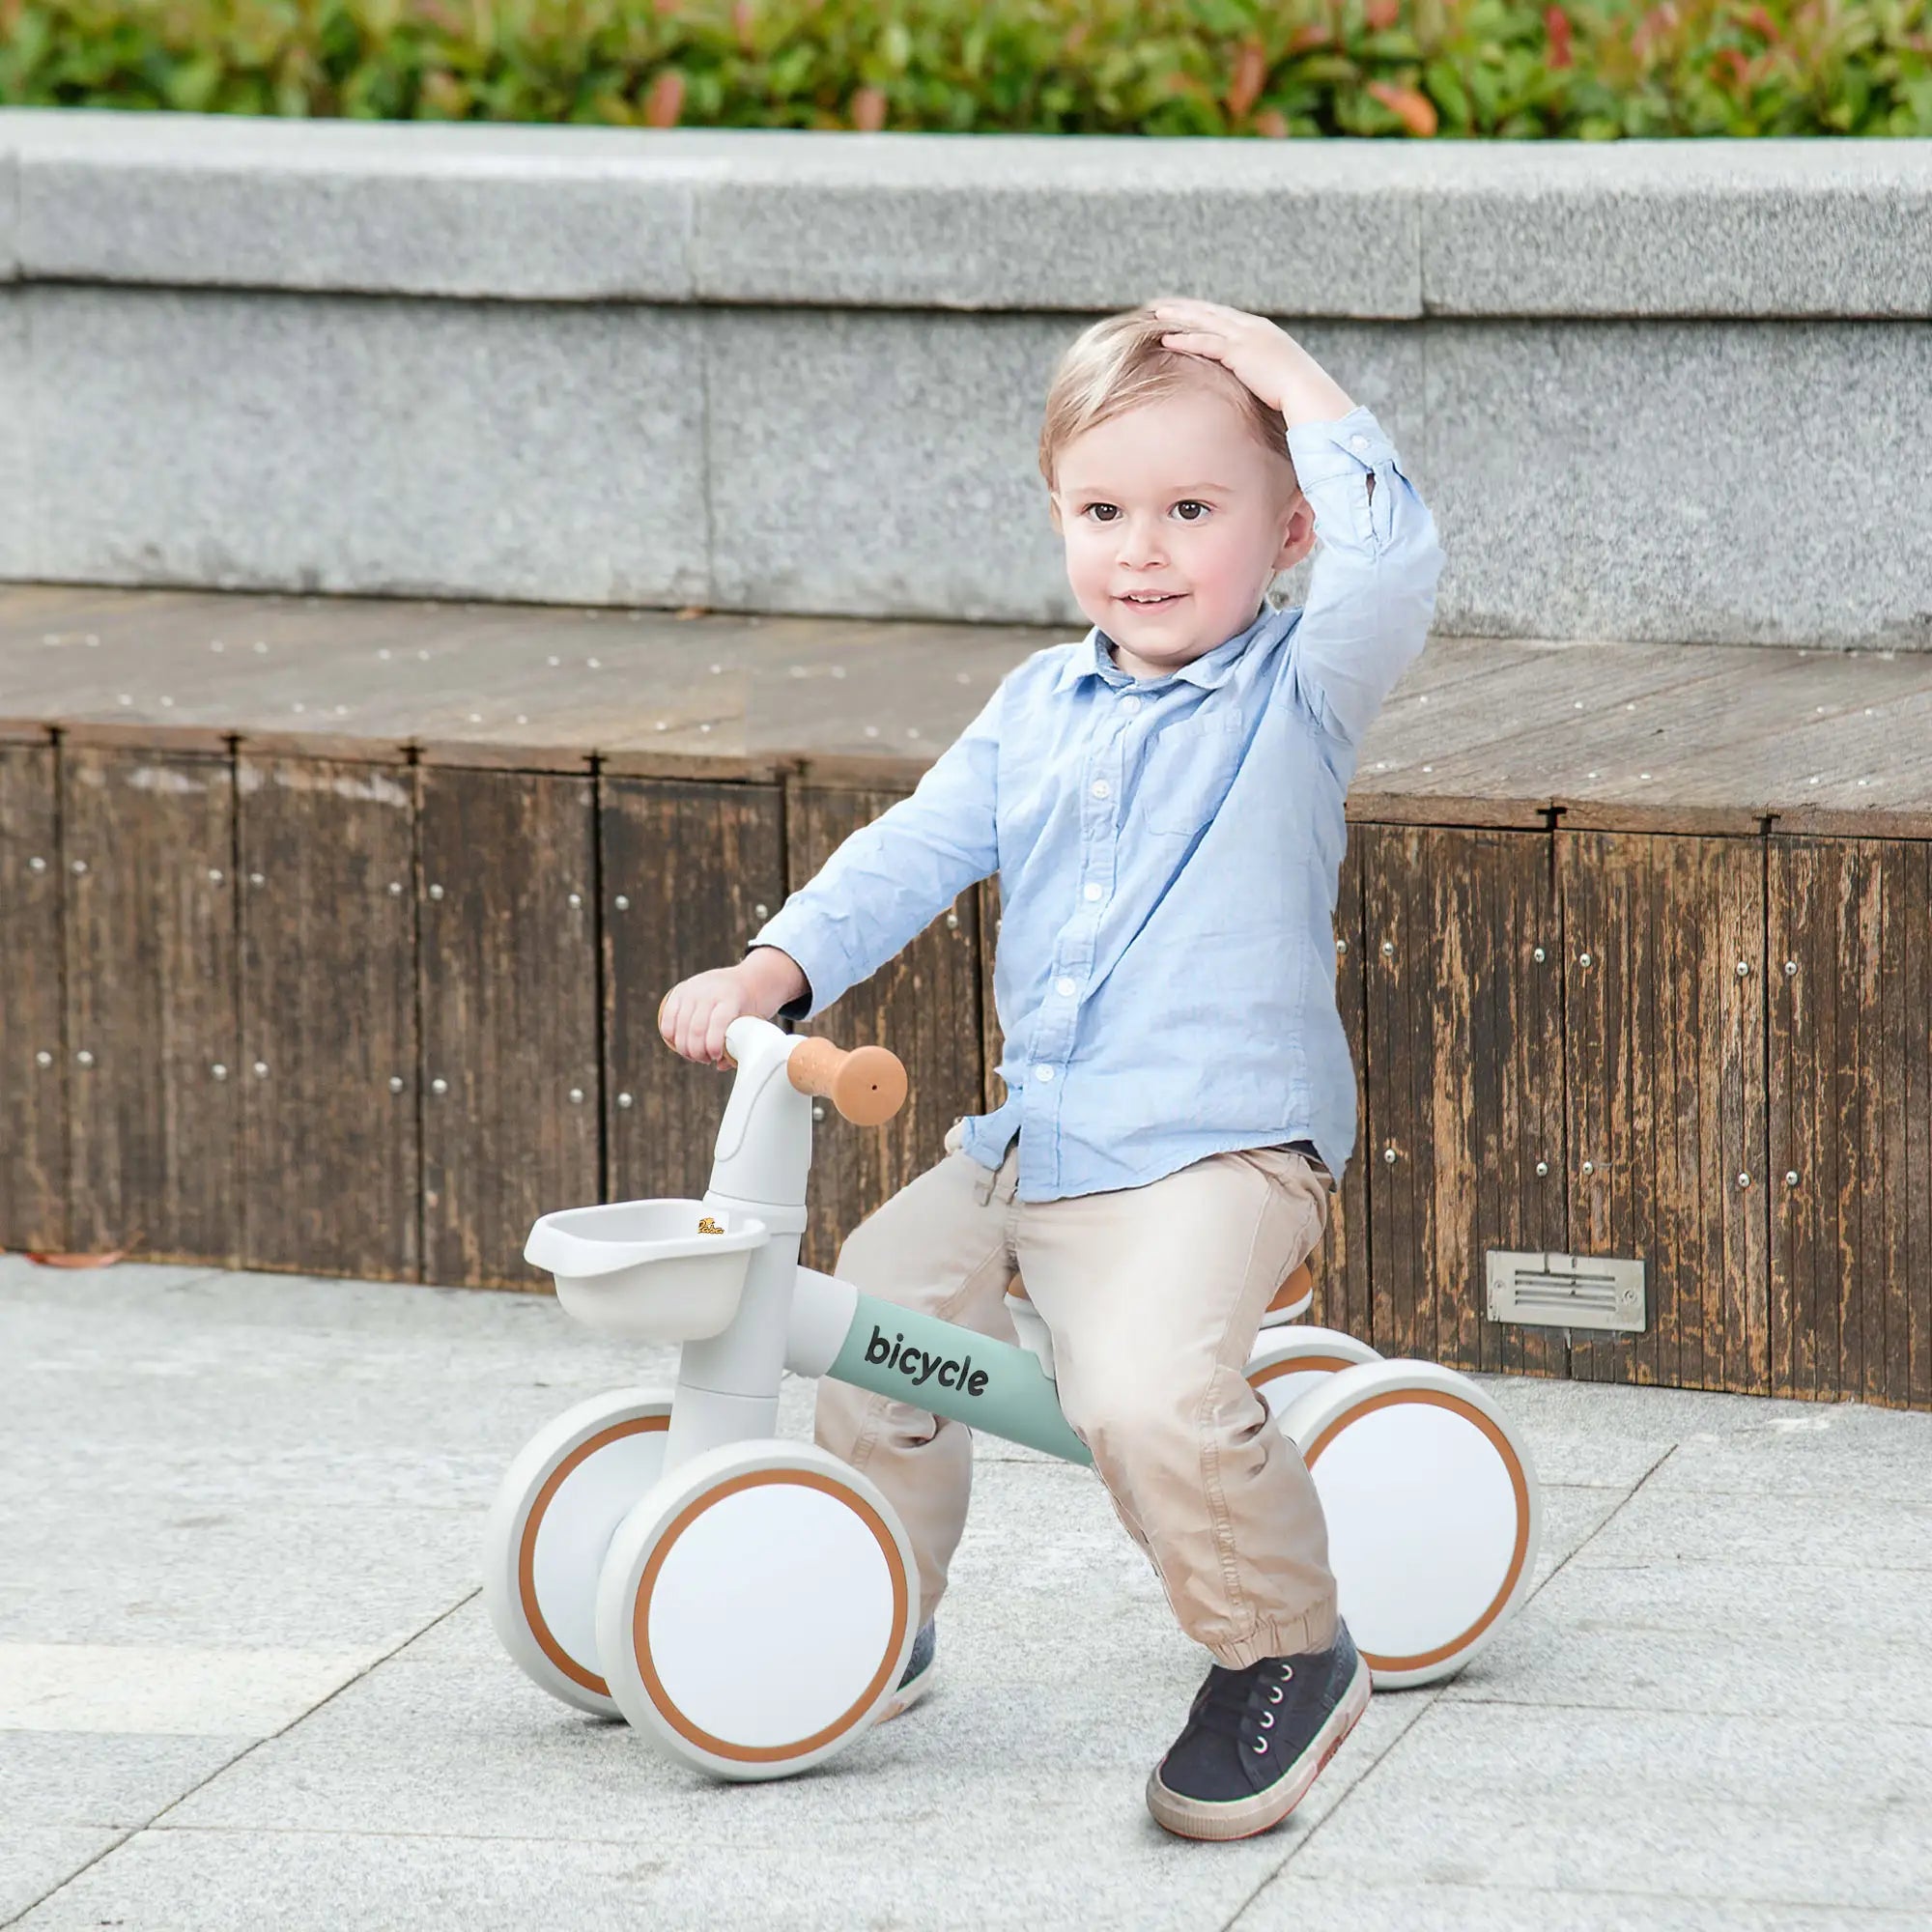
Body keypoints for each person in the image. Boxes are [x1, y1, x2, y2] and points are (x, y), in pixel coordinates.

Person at [657, 298, 1445, 1840]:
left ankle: (1287, 1647)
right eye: (1103, 512)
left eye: (1192, 511)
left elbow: (1397, 554)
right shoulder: (1040, 704)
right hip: (1039, 1143)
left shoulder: (1299, 693)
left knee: (1144, 1393)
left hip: (1217, 1155)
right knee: (879, 1310)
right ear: (1056, 517)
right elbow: (910, 855)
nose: (1142, 550)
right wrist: (773, 967)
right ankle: (876, 1606)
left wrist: (1280, 371)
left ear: (1288, 533)